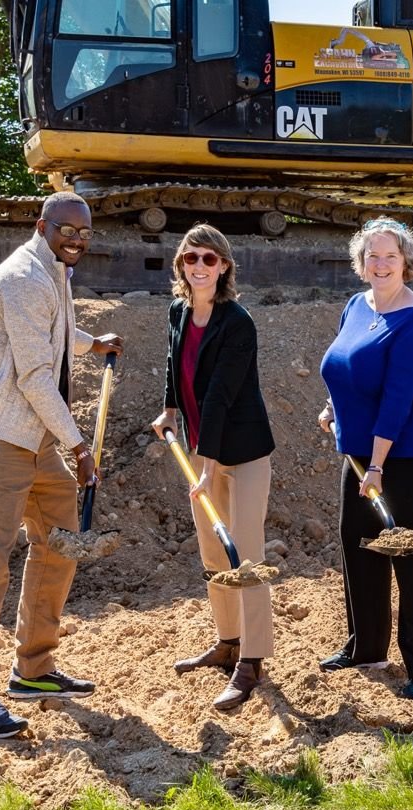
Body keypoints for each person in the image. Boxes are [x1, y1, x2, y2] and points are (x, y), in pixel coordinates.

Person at [0, 191, 122, 738]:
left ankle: (35, 668)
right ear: (43, 226)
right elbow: (33, 375)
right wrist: (78, 446)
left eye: (85, 232)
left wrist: (92, 343)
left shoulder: (52, 274)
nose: (76, 238)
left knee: (61, 537)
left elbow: (51, 330)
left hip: (32, 434)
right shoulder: (24, 277)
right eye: (67, 229)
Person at [317, 218, 413, 702]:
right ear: (361, 262)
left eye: (390, 256)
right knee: (358, 545)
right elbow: (345, 367)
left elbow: (398, 399)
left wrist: (376, 467)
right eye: (372, 256)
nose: (380, 264)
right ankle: (366, 647)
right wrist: (333, 409)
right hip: (361, 448)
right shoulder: (357, 305)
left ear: (407, 264)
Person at [150, 224, 276, 711]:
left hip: (241, 454)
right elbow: (173, 365)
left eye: (208, 259)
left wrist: (206, 467)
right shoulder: (179, 312)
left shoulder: (238, 322)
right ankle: (227, 643)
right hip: (203, 449)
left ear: (224, 266)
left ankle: (252, 659)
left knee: (244, 557)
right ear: (181, 264)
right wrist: (170, 410)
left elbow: (221, 395)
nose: (198, 267)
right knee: (211, 553)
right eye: (190, 258)